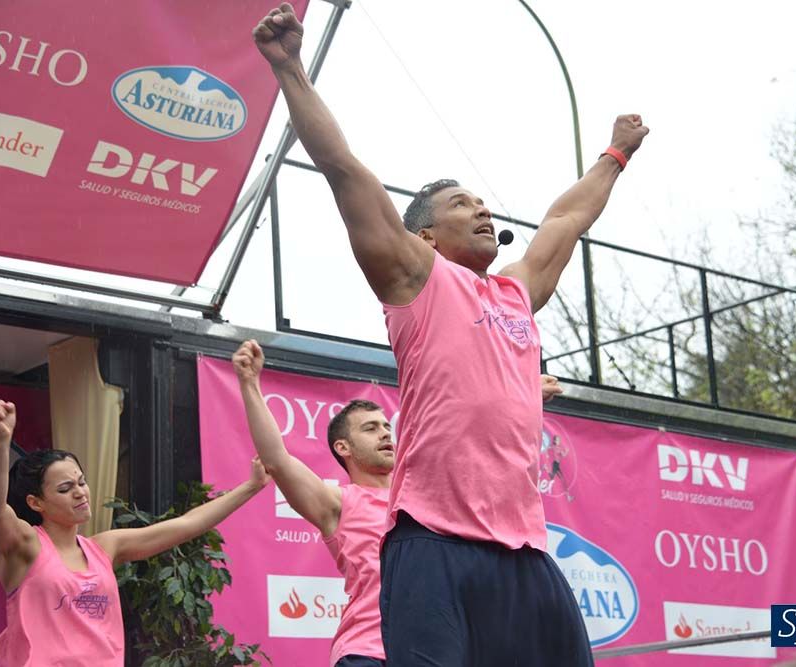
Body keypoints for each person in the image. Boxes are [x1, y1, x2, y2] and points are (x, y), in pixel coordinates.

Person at [253, 6, 647, 664]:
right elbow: (346, 170)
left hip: (524, 550)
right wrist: (289, 67)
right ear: (426, 234)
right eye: (463, 203)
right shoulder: (414, 276)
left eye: (484, 202)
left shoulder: (517, 291)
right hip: (432, 542)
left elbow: (566, 218)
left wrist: (615, 155)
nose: (483, 208)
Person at [231, 339, 564, 667]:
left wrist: (525, 396)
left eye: (387, 427)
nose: (385, 434)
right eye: (371, 428)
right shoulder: (337, 502)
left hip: (435, 650)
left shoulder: (427, 496)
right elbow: (276, 459)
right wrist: (249, 383)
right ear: (343, 448)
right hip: (368, 653)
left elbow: (477, 438)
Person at [0, 399, 269, 667]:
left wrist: (251, 486)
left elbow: (187, 525)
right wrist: (3, 441)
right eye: (65, 489)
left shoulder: (104, 547)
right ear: (35, 502)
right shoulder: (26, 546)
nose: (80, 493)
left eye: (82, 482)